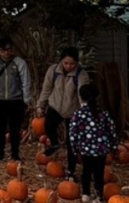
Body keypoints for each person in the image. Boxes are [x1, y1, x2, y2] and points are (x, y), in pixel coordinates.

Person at [36, 46, 91, 179]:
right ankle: (54, 143)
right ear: (61, 61)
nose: (69, 66)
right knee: (48, 125)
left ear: (77, 62)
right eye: (66, 63)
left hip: (73, 110)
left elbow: (82, 94)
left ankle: (71, 171)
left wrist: (84, 113)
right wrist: (40, 105)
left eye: (72, 63)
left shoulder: (81, 75)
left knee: (71, 143)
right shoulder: (53, 70)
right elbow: (47, 89)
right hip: (55, 106)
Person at [0, 37, 32, 161]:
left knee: (15, 129)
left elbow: (26, 82)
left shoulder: (19, 63)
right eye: (3, 50)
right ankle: (0, 153)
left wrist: (26, 100)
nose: (6, 52)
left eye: (9, 50)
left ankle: (15, 153)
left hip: (15, 101)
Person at [68, 83, 117, 202]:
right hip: (101, 149)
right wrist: (113, 146)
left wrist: (75, 148)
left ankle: (85, 194)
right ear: (98, 96)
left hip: (86, 149)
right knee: (99, 173)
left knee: (86, 171)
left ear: (81, 97)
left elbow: (73, 133)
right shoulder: (104, 114)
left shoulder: (79, 114)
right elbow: (112, 130)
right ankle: (99, 195)